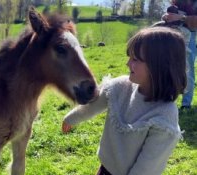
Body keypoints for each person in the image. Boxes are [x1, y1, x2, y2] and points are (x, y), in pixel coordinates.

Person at [62, 27, 187, 175]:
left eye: (135, 59)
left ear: (159, 66)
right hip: (104, 170)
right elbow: (92, 107)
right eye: (129, 57)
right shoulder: (120, 87)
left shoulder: (164, 117)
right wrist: (70, 118)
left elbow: (147, 167)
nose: (128, 64)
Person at [162, 0, 197, 109]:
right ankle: (166, 99)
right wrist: (165, 17)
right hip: (173, 32)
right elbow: (171, 14)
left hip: (189, 35)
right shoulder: (177, 1)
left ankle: (186, 104)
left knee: (188, 70)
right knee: (168, 67)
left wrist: (181, 18)